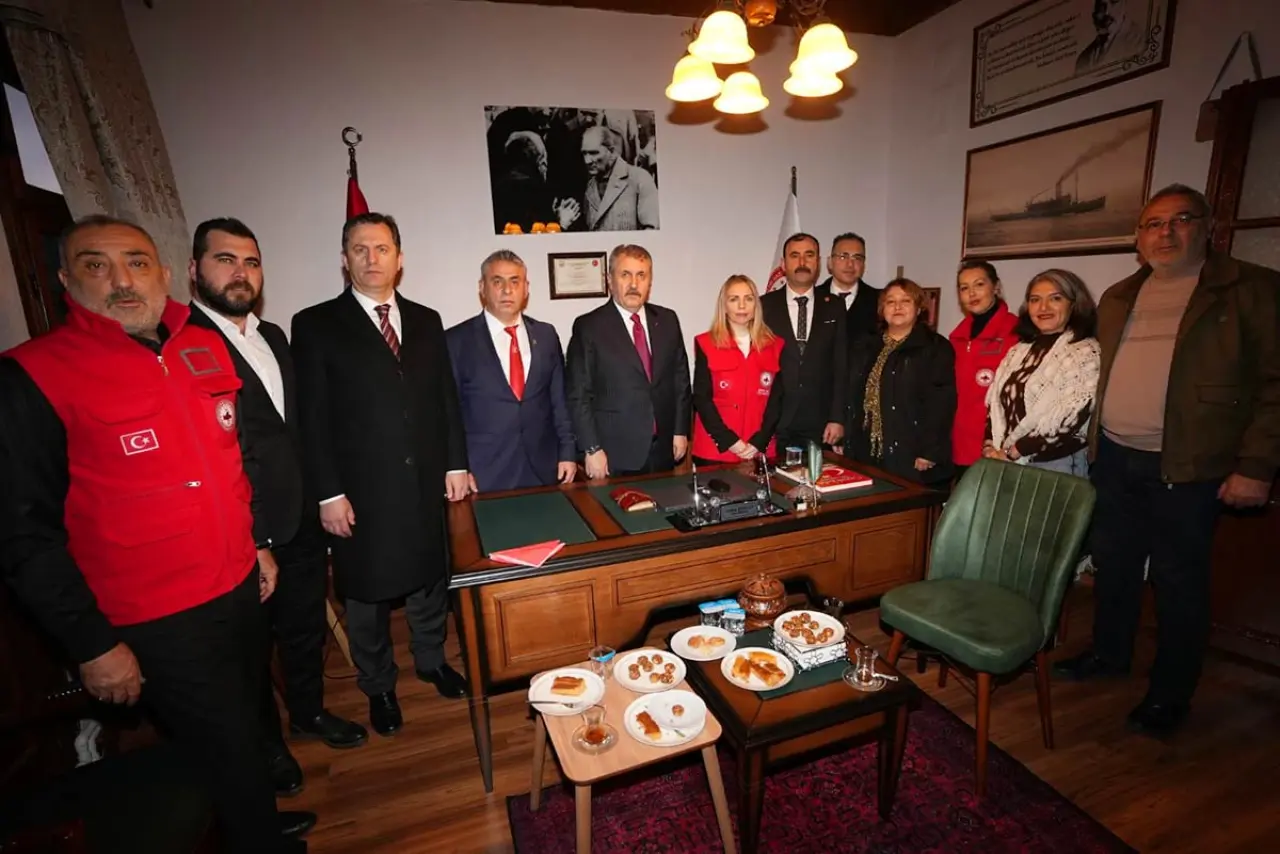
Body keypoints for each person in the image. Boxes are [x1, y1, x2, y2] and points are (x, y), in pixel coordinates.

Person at [0, 215, 312, 851]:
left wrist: (257, 545)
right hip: (156, 615)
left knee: (245, 720)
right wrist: (92, 644)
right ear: (65, 279)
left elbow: (231, 461)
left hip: (237, 584)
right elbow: (23, 535)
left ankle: (252, 817)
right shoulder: (33, 375)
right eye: (96, 265)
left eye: (137, 263)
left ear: (165, 273)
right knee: (223, 738)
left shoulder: (204, 346)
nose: (122, 281)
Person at [1055, 184, 1280, 736]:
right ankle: (1110, 654)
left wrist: (1256, 465)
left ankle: (1169, 694)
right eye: (1154, 223)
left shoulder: (1251, 290)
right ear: (1139, 237)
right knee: (1114, 566)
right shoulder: (1119, 296)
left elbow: (1276, 385)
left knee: (1179, 581)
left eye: (1181, 220)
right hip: (1115, 457)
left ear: (1208, 227)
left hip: (1189, 466)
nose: (1166, 232)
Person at [185, 218, 369, 794]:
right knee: (250, 652)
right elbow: (218, 456)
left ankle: (309, 713)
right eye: (225, 260)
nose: (240, 273)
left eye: (251, 262)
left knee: (303, 628)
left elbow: (298, 428)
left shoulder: (275, 337)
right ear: (194, 270)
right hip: (243, 530)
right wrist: (257, 538)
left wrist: (324, 496)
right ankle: (266, 749)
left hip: (302, 518)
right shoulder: (183, 346)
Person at [291, 212, 470, 738]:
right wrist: (328, 492)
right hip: (360, 491)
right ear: (344, 259)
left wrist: (456, 463)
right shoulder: (316, 324)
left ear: (399, 257)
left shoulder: (427, 320)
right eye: (360, 249)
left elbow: (445, 399)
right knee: (366, 593)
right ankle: (378, 685)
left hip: (425, 482)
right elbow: (311, 417)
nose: (372, 258)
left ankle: (432, 660)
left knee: (429, 579)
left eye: (382, 248)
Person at [446, 250, 577, 490]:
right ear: (482, 287)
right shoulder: (456, 341)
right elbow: (448, 412)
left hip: (543, 469)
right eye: (498, 281)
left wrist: (567, 452)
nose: (507, 290)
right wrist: (458, 467)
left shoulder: (546, 335)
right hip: (484, 474)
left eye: (515, 281)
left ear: (526, 288)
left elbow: (559, 400)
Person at [566, 244, 691, 477]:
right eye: (625, 274)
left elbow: (680, 380)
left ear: (650, 281)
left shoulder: (667, 320)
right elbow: (578, 394)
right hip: (613, 454)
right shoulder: (589, 327)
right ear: (609, 280)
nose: (634, 284)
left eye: (641, 275)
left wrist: (680, 431)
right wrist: (591, 448)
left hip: (663, 450)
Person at [982, 269, 1100, 476]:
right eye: (1035, 300)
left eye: (1055, 298)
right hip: (1006, 460)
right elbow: (996, 404)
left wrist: (1014, 451)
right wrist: (989, 445)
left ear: (1074, 304)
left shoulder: (1084, 352)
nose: (1043, 307)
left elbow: (1072, 417)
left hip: (1055, 464)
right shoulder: (1019, 350)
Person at [845, 278, 956, 485]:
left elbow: (941, 403)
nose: (897, 307)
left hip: (911, 453)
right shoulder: (866, 346)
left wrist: (929, 451)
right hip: (866, 449)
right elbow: (852, 395)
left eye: (905, 301)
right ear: (882, 309)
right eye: (890, 301)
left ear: (919, 308)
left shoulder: (935, 347)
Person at [760, 233, 847, 451]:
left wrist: (837, 417)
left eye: (809, 255)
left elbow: (841, 365)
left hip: (820, 422)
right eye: (794, 256)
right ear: (783, 264)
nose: (802, 262)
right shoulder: (764, 306)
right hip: (774, 420)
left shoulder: (835, 306)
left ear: (818, 261)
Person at [691, 274, 786, 466]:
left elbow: (776, 400)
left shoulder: (775, 345)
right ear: (724, 306)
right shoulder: (706, 343)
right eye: (734, 299)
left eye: (748, 299)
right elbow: (702, 398)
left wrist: (760, 440)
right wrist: (729, 440)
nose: (742, 306)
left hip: (759, 448)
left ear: (756, 304)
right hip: (716, 449)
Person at [949, 260, 1019, 478]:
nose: (972, 293)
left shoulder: (1016, 332)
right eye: (964, 288)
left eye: (979, 284)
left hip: (997, 446)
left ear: (995, 287)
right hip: (960, 442)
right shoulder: (957, 337)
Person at [581, 126, 659, 231]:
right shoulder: (590, 187)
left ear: (611, 151)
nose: (587, 161)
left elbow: (651, 230)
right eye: (584, 153)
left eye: (594, 153)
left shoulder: (639, 178)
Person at [815, 232, 880, 341]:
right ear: (830, 262)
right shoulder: (813, 298)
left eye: (857, 258)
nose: (850, 264)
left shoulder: (879, 300)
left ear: (863, 265)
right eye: (843, 257)